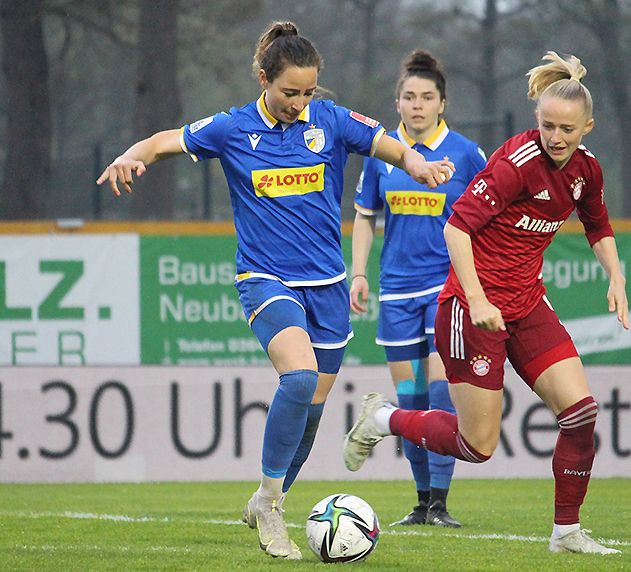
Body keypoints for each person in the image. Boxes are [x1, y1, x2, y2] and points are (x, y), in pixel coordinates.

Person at [96, 21, 454, 561]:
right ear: (263, 78)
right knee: (301, 375)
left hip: (328, 287)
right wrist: (133, 154)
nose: (300, 101)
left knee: (310, 413)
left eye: (308, 91)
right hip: (265, 278)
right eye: (290, 92)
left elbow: (388, 145)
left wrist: (418, 162)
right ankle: (270, 503)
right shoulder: (232, 128)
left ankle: (271, 496)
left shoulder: (330, 120)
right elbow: (165, 141)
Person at [343, 51, 629, 555]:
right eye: (547, 126)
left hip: (526, 305)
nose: (556, 138)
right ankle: (383, 419)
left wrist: (616, 274)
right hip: (468, 307)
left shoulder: (587, 170)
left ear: (588, 126)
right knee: (478, 446)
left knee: (581, 413)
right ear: (536, 121)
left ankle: (566, 533)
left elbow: (598, 224)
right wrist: (476, 299)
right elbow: (457, 228)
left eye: (566, 128)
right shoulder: (516, 164)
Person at [350, 50, 487, 528]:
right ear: (397, 102)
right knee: (409, 402)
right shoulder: (384, 156)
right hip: (396, 296)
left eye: (427, 97)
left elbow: (489, 220)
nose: (417, 104)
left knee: (441, 397)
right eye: (409, 96)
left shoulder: (467, 155)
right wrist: (360, 272)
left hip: (446, 293)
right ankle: (421, 500)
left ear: (442, 103)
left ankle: (441, 504)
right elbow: (366, 217)